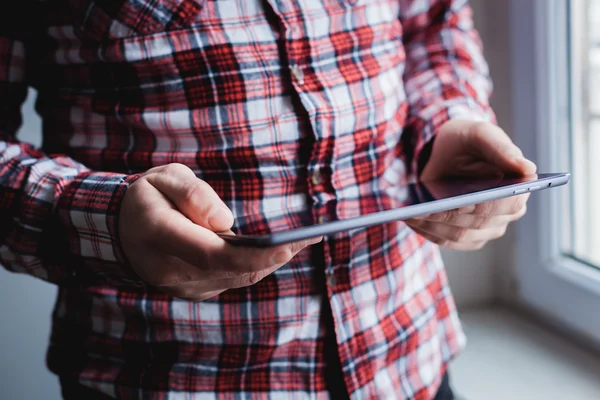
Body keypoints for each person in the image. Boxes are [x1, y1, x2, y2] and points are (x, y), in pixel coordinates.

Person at [0, 0, 536, 399]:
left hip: (408, 357)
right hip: (168, 378)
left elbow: (432, 23)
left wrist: (448, 119)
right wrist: (104, 221)